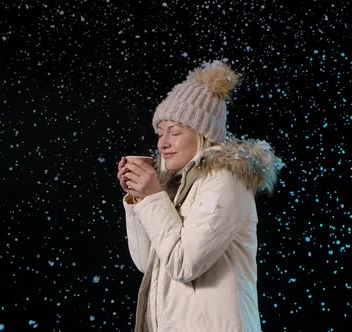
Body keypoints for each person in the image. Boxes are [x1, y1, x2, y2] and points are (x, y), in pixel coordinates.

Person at [116, 60, 282, 332]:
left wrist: (154, 196)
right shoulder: (179, 186)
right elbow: (148, 262)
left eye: (175, 131)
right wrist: (140, 198)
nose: (162, 142)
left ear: (203, 134)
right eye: (160, 132)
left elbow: (185, 264)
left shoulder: (226, 180)